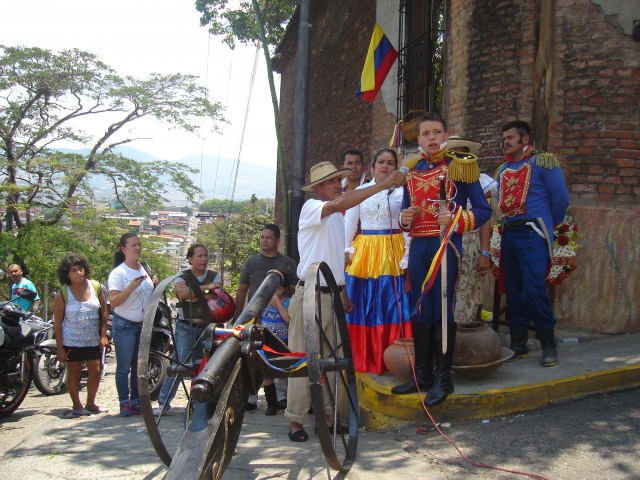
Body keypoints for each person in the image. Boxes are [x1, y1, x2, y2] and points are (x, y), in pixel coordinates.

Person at [286, 160, 406, 442]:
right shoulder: (312, 208)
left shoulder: (337, 218)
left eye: (338, 180)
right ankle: (296, 420)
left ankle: (326, 416)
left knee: (330, 360)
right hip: (311, 293)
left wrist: (342, 291)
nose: (337, 185)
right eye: (330, 182)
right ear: (318, 187)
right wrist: (383, 184)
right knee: (305, 359)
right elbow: (346, 201)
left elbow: (335, 259)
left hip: (331, 293)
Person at [392, 113, 492, 407]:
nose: (432, 138)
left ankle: (443, 378)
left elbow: (484, 211)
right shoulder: (412, 171)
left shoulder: (461, 165)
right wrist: (403, 218)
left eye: (437, 132)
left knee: (441, 307)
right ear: (419, 138)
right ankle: (422, 375)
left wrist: (457, 220)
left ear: (446, 134)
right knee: (419, 309)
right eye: (426, 133)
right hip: (419, 247)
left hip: (446, 245)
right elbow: (407, 214)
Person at [497, 120, 569, 367]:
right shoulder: (503, 169)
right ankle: (518, 344)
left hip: (532, 233)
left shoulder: (543, 162)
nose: (506, 142)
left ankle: (549, 344)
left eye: (510, 138)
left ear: (524, 139)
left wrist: (546, 225)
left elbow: (560, 198)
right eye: (504, 138)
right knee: (514, 290)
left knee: (534, 288)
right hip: (509, 233)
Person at [344, 148, 412, 374]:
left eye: (390, 163)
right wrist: (345, 251)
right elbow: (350, 224)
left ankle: (394, 356)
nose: (385, 166)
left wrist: (407, 255)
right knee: (363, 303)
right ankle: (364, 356)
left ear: (396, 167)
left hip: (393, 250)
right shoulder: (362, 191)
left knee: (392, 302)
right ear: (372, 167)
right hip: (364, 252)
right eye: (380, 162)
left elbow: (408, 228)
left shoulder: (404, 193)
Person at [235, 224, 297, 411]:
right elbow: (242, 290)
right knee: (252, 356)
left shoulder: (287, 263)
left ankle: (281, 396)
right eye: (262, 237)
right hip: (256, 318)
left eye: (269, 237)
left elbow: (294, 290)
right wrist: (238, 316)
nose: (264, 240)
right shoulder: (251, 262)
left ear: (277, 240)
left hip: (280, 319)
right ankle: (252, 396)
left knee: (279, 355)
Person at [154, 243, 222, 415]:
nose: (204, 259)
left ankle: (199, 403)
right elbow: (182, 294)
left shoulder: (215, 275)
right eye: (200, 256)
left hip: (207, 327)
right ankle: (164, 404)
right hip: (186, 326)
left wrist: (194, 291)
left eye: (205, 255)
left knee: (205, 366)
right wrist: (206, 289)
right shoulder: (182, 275)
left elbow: (217, 294)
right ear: (190, 259)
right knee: (180, 363)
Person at [447, 136, 497, 324]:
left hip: (469, 241)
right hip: (443, 241)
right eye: (453, 152)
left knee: (466, 290)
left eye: (462, 151)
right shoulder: (441, 178)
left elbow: (484, 219)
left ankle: (463, 338)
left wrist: (484, 252)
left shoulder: (479, 181)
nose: (458, 156)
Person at [108, 232, 159, 417]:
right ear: (123, 249)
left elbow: (147, 296)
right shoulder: (118, 273)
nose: (137, 248)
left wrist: (154, 286)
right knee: (123, 367)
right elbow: (113, 302)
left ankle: (137, 402)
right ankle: (124, 403)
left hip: (142, 325)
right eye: (133, 245)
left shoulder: (143, 268)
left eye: (139, 244)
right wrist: (130, 287)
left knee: (138, 367)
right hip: (125, 325)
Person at [54, 254, 109, 416]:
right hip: (71, 340)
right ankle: (77, 406)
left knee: (96, 371)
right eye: (74, 270)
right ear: (67, 274)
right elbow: (58, 323)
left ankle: (91, 403)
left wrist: (103, 335)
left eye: (80, 269)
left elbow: (104, 313)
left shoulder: (96, 287)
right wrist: (59, 348)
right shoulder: (63, 293)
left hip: (92, 338)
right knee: (74, 372)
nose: (79, 273)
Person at [259, 281, 291, 416]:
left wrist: (278, 303)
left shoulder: (288, 302)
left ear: (284, 289)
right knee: (267, 374)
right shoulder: (262, 301)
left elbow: (289, 319)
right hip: (267, 342)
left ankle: (286, 400)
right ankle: (271, 404)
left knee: (287, 371)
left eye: (278, 289)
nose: (275, 292)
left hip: (284, 342)